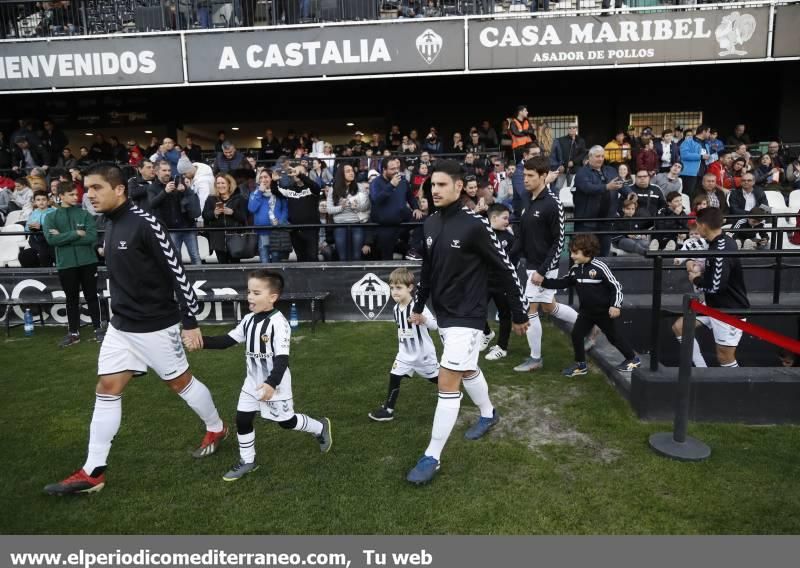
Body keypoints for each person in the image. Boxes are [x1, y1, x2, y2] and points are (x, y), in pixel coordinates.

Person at [44, 163, 228, 496]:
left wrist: (189, 321)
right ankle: (93, 471)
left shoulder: (146, 223)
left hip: (157, 326)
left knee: (180, 383)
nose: (91, 195)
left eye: (98, 188)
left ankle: (216, 428)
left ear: (119, 189)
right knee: (107, 388)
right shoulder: (109, 223)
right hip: (122, 325)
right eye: (88, 189)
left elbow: (178, 272)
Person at [405, 160, 528, 485]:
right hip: (446, 315)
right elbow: (428, 270)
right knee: (468, 369)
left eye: (442, 185)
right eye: (432, 185)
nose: (435, 190)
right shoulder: (430, 224)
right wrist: (418, 304)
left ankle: (432, 456)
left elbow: (505, 269)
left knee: (448, 382)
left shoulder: (475, 225)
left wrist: (519, 312)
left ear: (459, 188)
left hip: (470, 317)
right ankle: (489, 414)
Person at [188, 269, 331, 481]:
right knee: (243, 419)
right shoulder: (248, 320)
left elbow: (282, 359)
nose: (250, 297)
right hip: (252, 383)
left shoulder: (278, 323)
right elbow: (227, 341)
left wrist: (271, 384)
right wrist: (202, 342)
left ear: (272, 297)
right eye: (248, 292)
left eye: (256, 293)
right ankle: (248, 461)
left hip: (275, 385)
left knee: (286, 422)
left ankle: (320, 427)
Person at [510, 156, 579, 371]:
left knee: (530, 309)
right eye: (524, 176)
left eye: (530, 176)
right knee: (549, 307)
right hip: (531, 264)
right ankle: (587, 324)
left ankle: (536, 358)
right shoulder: (527, 200)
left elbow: (560, 242)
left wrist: (542, 270)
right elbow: (523, 236)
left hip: (544, 268)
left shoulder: (553, 203)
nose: (526, 180)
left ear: (543, 177)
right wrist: (508, 258)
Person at [541, 234, 640, 377]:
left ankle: (633, 359)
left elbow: (616, 287)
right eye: (571, 252)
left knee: (613, 337)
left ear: (587, 251)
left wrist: (616, 305)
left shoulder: (600, 267)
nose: (572, 255)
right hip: (586, 312)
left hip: (603, 312)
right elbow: (564, 282)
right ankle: (581, 366)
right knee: (576, 334)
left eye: (575, 252)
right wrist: (544, 281)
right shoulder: (575, 269)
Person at [675, 207, 749, 369]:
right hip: (713, 305)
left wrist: (697, 279)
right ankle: (702, 371)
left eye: (697, 224)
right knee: (680, 327)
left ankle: (739, 392)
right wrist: (690, 262)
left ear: (703, 226)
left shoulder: (720, 249)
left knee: (725, 357)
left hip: (729, 309)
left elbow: (716, 286)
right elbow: (687, 251)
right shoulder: (716, 242)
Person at [368, 268, 439, 422]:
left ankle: (452, 392)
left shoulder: (418, 307)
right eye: (392, 288)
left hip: (423, 354)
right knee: (394, 376)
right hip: (404, 354)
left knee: (436, 379)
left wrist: (423, 319)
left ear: (410, 288)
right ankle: (388, 411)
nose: (395, 292)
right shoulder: (395, 309)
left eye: (399, 288)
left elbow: (434, 325)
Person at [43, 182, 103, 347]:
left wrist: (63, 237)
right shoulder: (50, 217)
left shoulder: (84, 214)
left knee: (92, 296)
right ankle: (73, 332)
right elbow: (51, 240)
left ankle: (98, 329)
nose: (76, 197)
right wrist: (76, 233)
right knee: (71, 299)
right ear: (61, 196)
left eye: (76, 194)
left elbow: (91, 237)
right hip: (66, 264)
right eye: (71, 195)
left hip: (88, 262)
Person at [573, 146, 625, 256]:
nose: (601, 159)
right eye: (597, 156)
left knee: (604, 255)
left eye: (602, 156)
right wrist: (607, 187)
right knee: (584, 254)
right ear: (590, 157)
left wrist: (630, 193)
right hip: (586, 222)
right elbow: (588, 188)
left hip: (606, 220)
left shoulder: (611, 170)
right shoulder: (581, 173)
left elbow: (620, 184)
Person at [483, 204, 519, 361]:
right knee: (475, 310)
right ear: (493, 218)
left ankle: (502, 347)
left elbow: (513, 262)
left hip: (503, 283)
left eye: (508, 218)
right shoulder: (482, 234)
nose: (508, 221)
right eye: (505, 218)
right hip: (484, 281)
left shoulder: (509, 238)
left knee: (505, 314)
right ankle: (486, 334)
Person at [149, 160, 202, 265]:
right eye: (164, 170)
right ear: (156, 172)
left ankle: (202, 278)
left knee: (195, 257)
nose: (167, 173)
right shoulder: (153, 187)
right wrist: (165, 192)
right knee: (175, 259)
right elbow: (152, 204)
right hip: (171, 229)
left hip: (188, 226)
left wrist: (185, 190)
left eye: (169, 170)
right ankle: (179, 280)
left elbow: (192, 200)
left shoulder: (178, 181)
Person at [369, 157, 422, 261]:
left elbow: (410, 196)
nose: (396, 171)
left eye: (397, 168)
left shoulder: (402, 180)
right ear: (384, 170)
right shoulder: (376, 182)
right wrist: (391, 185)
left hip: (402, 221)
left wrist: (416, 208)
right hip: (385, 225)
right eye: (392, 169)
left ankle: (413, 250)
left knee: (423, 219)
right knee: (387, 258)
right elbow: (376, 199)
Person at [274, 163, 323, 262]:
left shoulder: (312, 188)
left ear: (306, 174)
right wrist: (274, 182)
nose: (295, 173)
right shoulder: (290, 188)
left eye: (299, 172)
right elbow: (276, 191)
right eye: (294, 172)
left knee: (312, 257)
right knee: (300, 258)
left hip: (311, 229)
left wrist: (300, 175)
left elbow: (316, 187)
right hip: (295, 231)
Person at [326, 163, 369, 261]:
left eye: (352, 171)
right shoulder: (334, 189)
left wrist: (357, 206)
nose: (351, 173)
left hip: (357, 224)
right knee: (342, 258)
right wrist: (342, 207)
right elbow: (329, 210)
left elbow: (366, 207)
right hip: (340, 225)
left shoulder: (360, 187)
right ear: (341, 174)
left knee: (357, 256)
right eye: (348, 171)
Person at [202, 173, 248, 264]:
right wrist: (214, 213)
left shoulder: (239, 198)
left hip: (234, 237)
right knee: (222, 263)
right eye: (218, 183)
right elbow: (205, 215)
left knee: (235, 264)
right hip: (217, 238)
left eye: (223, 183)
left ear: (229, 184)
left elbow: (244, 217)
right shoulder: (211, 199)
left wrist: (232, 213)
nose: (220, 185)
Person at [249, 169, 289, 264]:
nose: (263, 179)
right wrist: (259, 192)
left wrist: (280, 222)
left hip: (276, 232)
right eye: (261, 177)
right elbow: (252, 209)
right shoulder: (255, 193)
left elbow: (285, 209)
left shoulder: (279, 193)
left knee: (276, 259)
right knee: (264, 261)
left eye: (266, 177)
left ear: (271, 179)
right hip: (262, 232)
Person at [549, 123, 587, 191]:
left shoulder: (581, 141)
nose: (571, 129)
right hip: (562, 168)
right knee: (557, 188)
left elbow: (583, 153)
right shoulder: (561, 140)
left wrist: (574, 162)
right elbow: (556, 153)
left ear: (576, 129)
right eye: (570, 128)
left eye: (574, 127)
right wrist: (560, 165)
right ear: (567, 129)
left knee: (573, 188)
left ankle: (572, 201)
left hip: (574, 168)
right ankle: (557, 201)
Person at [679, 124, 711, 198]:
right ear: (704, 132)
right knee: (687, 195)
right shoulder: (688, 141)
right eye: (708, 132)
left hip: (702, 173)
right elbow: (684, 155)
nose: (709, 134)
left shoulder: (706, 144)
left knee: (698, 196)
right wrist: (701, 156)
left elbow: (706, 158)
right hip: (689, 174)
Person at [25, 190, 56, 267]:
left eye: (43, 199)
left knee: (45, 253)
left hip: (49, 239)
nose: (41, 202)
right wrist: (30, 227)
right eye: (38, 200)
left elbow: (55, 226)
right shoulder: (33, 213)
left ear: (48, 201)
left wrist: (41, 227)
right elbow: (26, 228)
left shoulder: (53, 212)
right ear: (35, 202)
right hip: (35, 240)